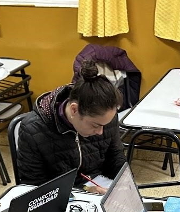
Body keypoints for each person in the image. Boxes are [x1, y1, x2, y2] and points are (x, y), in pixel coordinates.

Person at [17, 60, 125, 193]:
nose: (100, 132)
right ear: (74, 110)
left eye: (105, 124)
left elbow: (115, 157)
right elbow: (35, 187)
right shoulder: (33, 130)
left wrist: (125, 186)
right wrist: (85, 190)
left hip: (98, 186)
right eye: (96, 125)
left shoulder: (105, 116)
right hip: (61, 196)